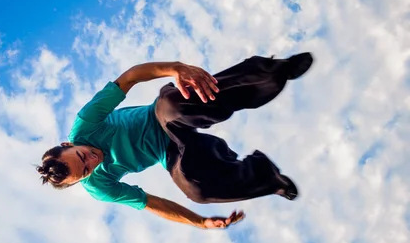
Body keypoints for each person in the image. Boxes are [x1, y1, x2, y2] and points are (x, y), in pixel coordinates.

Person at [36, 53, 313, 230]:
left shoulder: (85, 123)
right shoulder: (99, 187)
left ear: (67, 144)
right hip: (171, 152)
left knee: (172, 105)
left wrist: (177, 69)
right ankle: (269, 179)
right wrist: (200, 222)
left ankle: (274, 71)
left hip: (160, 116)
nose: (93, 161)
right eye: (85, 171)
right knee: (197, 191)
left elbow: (129, 78)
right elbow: (152, 203)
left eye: (82, 155)